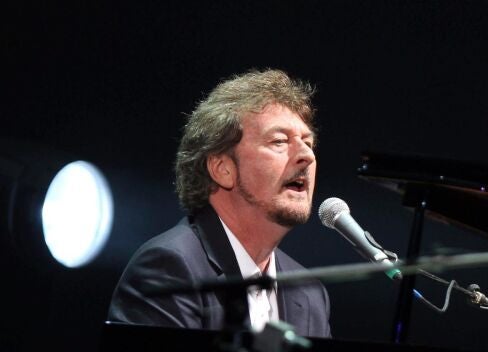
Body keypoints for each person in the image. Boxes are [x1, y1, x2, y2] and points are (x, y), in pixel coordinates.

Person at [107, 68, 330, 337]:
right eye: (279, 141)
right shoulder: (170, 267)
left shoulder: (309, 292)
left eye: (308, 142)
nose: (307, 155)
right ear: (223, 169)